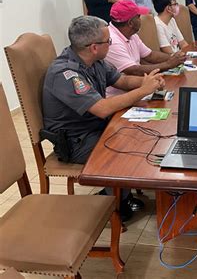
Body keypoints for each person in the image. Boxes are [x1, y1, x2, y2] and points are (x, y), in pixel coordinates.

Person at [42, 16, 165, 221]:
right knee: (127, 147)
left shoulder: (95, 61)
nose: (111, 44)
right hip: (76, 141)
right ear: (93, 47)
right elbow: (102, 109)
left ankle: (119, 194)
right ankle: (114, 203)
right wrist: (144, 90)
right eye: (108, 41)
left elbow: (122, 80)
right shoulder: (65, 73)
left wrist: (148, 81)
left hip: (96, 128)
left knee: (141, 133)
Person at [105, 0, 186, 96]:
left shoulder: (131, 34)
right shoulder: (112, 41)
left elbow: (150, 55)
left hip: (136, 90)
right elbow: (134, 70)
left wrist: (174, 57)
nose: (141, 19)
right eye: (138, 16)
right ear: (131, 23)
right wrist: (169, 64)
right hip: (120, 97)